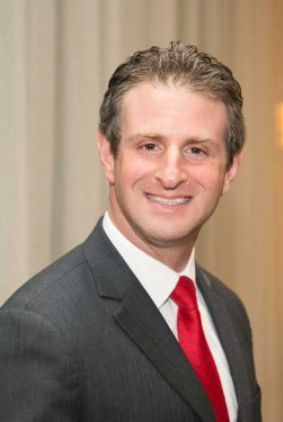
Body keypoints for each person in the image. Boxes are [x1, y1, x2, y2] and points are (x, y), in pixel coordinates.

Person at [0, 41, 261, 422]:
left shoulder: (229, 309)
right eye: (150, 146)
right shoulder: (41, 327)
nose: (171, 175)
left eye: (196, 151)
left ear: (230, 169)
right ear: (108, 155)